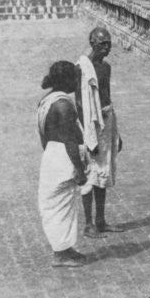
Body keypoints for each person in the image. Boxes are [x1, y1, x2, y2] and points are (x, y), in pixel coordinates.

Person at [37, 60, 88, 268]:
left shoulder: (47, 100)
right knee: (61, 205)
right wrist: (79, 168)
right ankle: (60, 254)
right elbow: (69, 140)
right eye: (75, 78)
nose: (77, 83)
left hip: (51, 153)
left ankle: (65, 249)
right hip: (63, 156)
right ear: (66, 80)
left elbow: (43, 134)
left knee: (60, 204)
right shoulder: (63, 105)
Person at [76, 26, 124, 238]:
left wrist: (117, 133)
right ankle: (88, 225)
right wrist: (87, 133)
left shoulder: (106, 68)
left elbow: (107, 96)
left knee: (103, 171)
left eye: (109, 45)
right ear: (93, 43)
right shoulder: (81, 68)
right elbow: (79, 102)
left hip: (106, 120)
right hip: (90, 124)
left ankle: (101, 220)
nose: (107, 49)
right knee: (89, 172)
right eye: (104, 45)